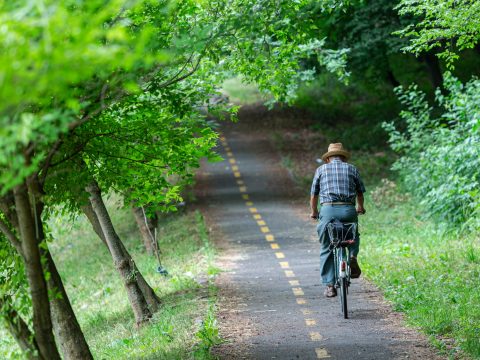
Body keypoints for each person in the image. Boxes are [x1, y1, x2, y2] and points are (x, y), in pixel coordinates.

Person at [309, 143, 366, 298]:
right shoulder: (352, 169)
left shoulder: (320, 170)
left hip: (328, 211)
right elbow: (360, 193)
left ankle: (329, 285)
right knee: (353, 235)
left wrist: (314, 212)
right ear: (343, 157)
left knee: (327, 246)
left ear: (328, 159)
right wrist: (360, 207)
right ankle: (352, 256)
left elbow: (314, 195)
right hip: (348, 210)